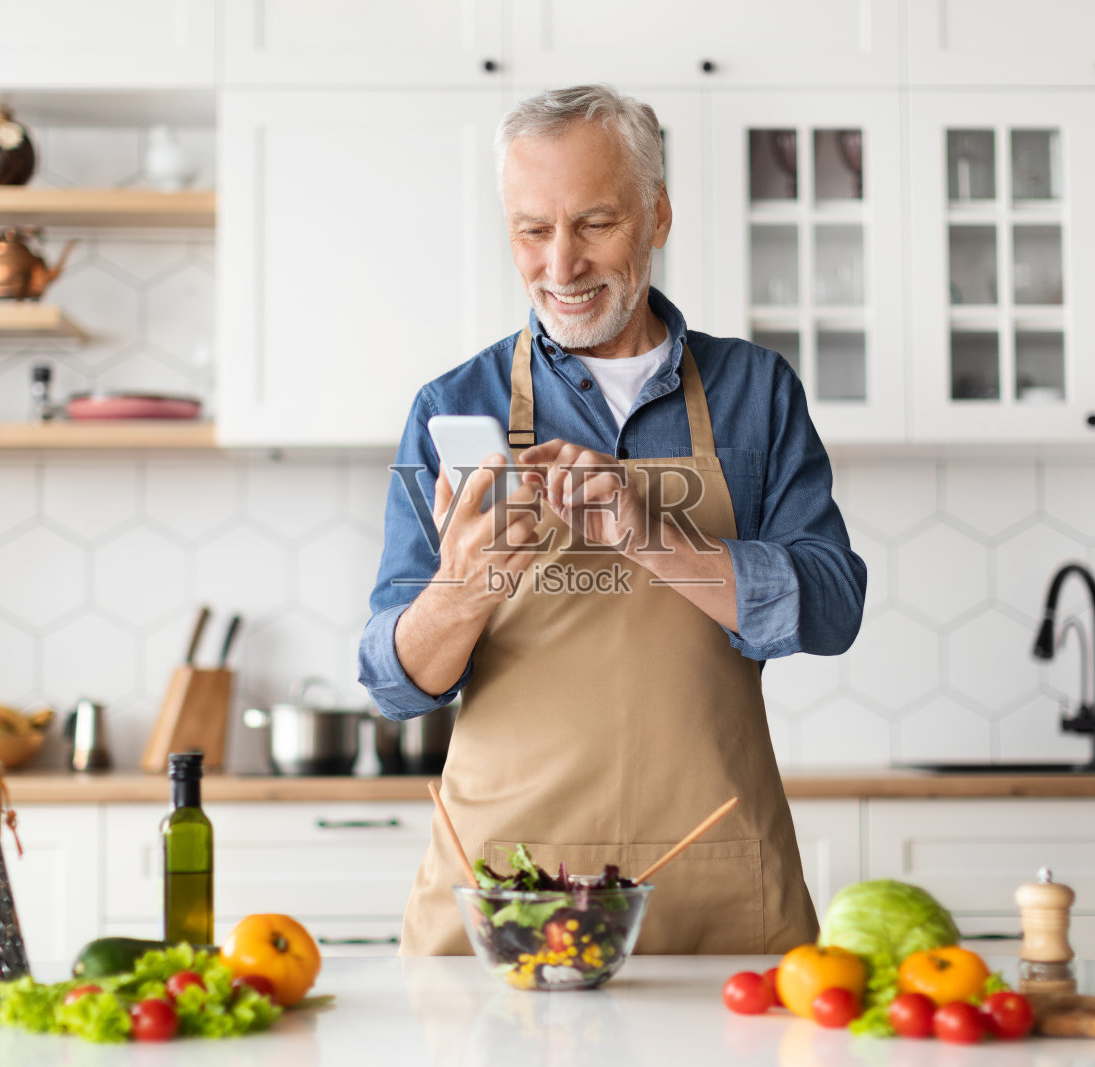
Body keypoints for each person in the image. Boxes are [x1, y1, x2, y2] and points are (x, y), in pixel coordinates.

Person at [358, 85, 867, 955]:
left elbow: (832, 608)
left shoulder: (756, 392)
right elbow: (393, 682)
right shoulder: (453, 407)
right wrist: (464, 590)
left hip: (712, 880)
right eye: (532, 230)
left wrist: (649, 535)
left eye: (594, 223)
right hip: (506, 890)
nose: (561, 265)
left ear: (657, 214)